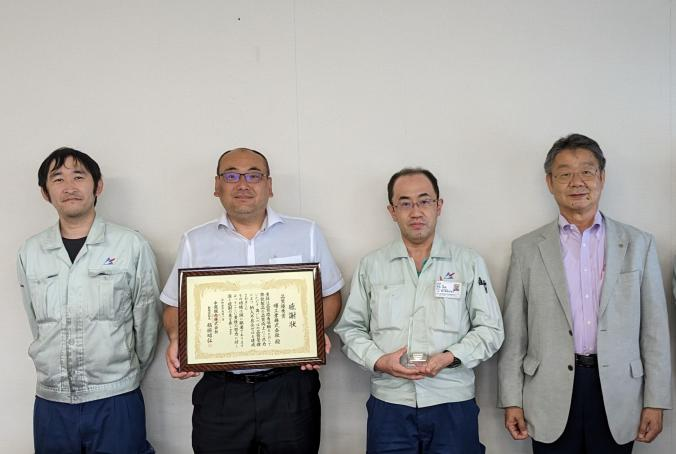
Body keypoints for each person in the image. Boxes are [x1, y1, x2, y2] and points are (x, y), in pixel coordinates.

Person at [161, 147, 344, 454]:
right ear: (217, 185)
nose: (243, 184)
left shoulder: (306, 233)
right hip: (222, 391)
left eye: (254, 176)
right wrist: (176, 337)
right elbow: (174, 306)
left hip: (289, 387)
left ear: (269, 186)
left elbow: (331, 296)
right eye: (232, 176)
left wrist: (312, 333)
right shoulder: (195, 241)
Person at [498, 133, 672, 453]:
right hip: (548, 391)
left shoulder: (638, 244)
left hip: (619, 391)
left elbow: (655, 331)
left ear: (601, 178)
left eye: (587, 172)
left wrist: (656, 401)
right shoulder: (526, 249)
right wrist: (511, 399)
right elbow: (515, 333)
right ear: (550, 182)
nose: (577, 182)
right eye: (565, 174)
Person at [334, 167, 503, 454]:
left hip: (452, 401)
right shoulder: (372, 265)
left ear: (439, 206)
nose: (416, 212)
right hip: (390, 403)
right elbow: (350, 329)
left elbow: (491, 329)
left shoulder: (468, 262)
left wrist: (449, 357)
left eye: (424, 201)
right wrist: (380, 361)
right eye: (405, 203)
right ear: (392, 211)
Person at [17, 147, 161, 453]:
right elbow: (37, 322)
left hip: (115, 397)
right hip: (52, 401)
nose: (69, 186)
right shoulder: (31, 251)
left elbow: (148, 321)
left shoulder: (130, 245)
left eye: (79, 177)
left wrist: (122, 374)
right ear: (45, 192)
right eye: (58, 179)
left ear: (98, 185)